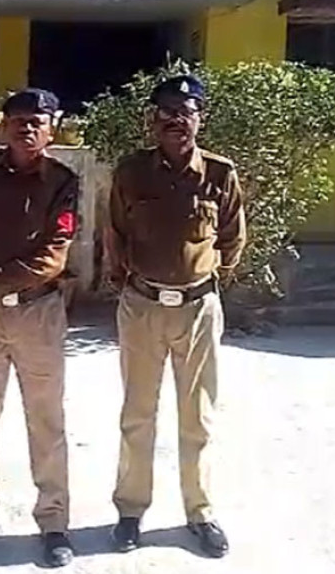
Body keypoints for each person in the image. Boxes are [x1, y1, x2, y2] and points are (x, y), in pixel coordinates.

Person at [105, 75, 246, 558]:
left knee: (198, 417)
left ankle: (200, 512)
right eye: (166, 111)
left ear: (199, 119)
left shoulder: (220, 174)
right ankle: (130, 510)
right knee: (137, 413)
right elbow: (115, 234)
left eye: (186, 112)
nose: (176, 120)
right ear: (153, 119)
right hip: (142, 306)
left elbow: (232, 238)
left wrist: (205, 280)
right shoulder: (131, 172)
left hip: (198, 309)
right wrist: (130, 285)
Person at [0, 88, 81, 567]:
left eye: (37, 121)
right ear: (3, 126)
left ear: (52, 128)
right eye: (18, 119)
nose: (27, 128)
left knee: (45, 421)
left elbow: (53, 256)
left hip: (37, 313)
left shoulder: (62, 181)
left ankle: (54, 522)